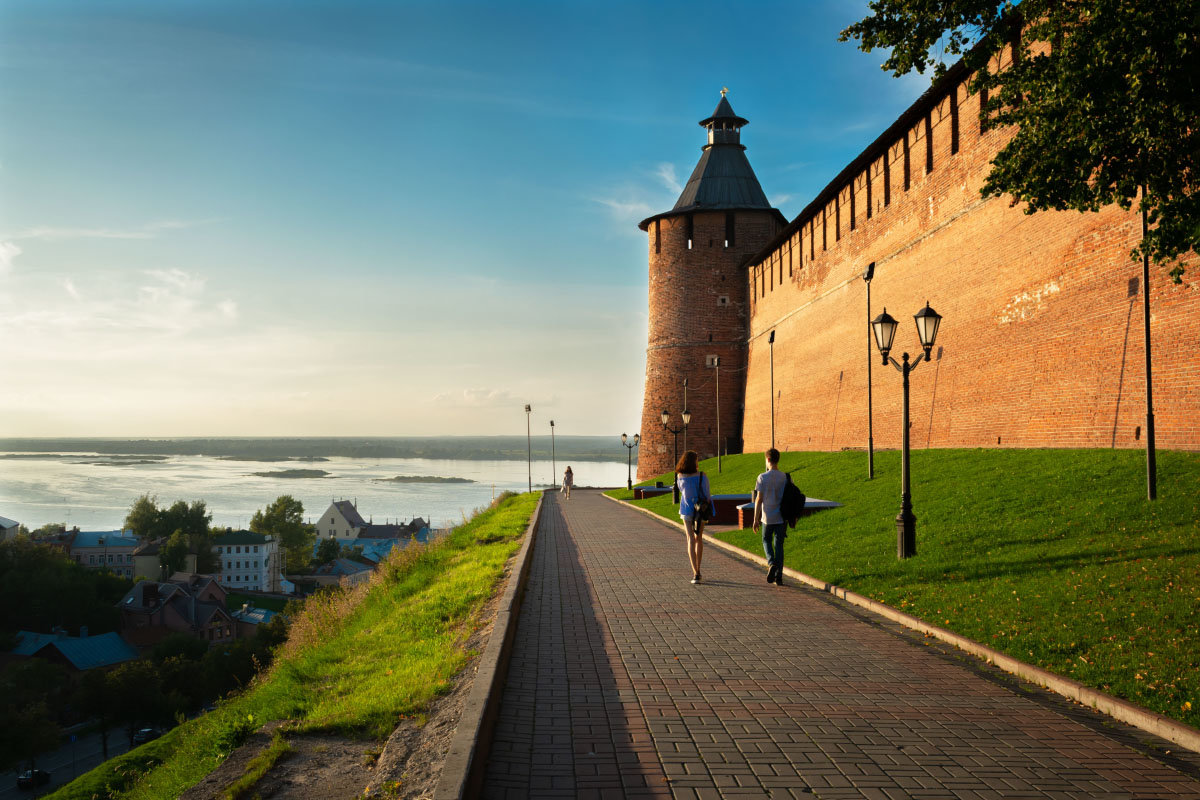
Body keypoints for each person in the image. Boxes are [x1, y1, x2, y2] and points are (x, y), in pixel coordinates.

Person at [752, 448, 788, 586]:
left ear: (767, 460)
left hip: (767, 517)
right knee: (779, 545)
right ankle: (779, 577)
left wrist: (755, 519)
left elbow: (759, 499)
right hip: (781, 517)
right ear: (777, 460)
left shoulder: (762, 477)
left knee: (766, 540)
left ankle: (771, 563)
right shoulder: (784, 477)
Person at [675, 450, 711, 584]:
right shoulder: (702, 475)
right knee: (698, 538)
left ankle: (695, 572)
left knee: (690, 539)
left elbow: (681, 491)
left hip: (685, 510)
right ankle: (699, 570)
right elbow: (707, 495)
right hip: (700, 510)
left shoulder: (680, 476)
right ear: (694, 461)